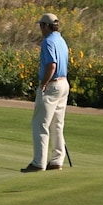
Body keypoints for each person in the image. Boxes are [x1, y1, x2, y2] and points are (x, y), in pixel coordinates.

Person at [22, 13, 70, 172]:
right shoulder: (61, 40)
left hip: (52, 85)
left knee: (40, 124)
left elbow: (52, 65)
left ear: (46, 26)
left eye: (41, 25)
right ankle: (57, 160)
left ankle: (38, 163)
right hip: (64, 84)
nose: (40, 28)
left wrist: (44, 83)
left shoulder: (48, 42)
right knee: (57, 124)